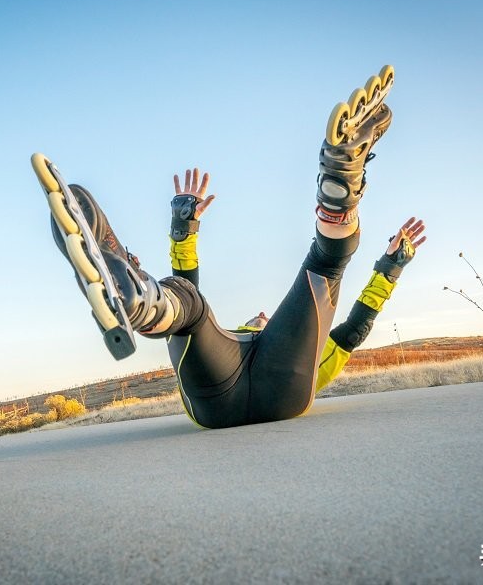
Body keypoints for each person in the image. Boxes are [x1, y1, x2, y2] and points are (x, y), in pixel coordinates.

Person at [33, 71, 425, 428]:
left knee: (193, 309)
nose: (261, 314)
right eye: (263, 317)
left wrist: (183, 230)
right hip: (283, 391)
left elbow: (188, 286)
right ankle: (140, 300)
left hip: (219, 402)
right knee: (318, 268)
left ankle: (144, 302)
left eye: (262, 317)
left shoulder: (235, 335)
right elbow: (354, 329)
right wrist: (390, 267)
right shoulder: (289, 342)